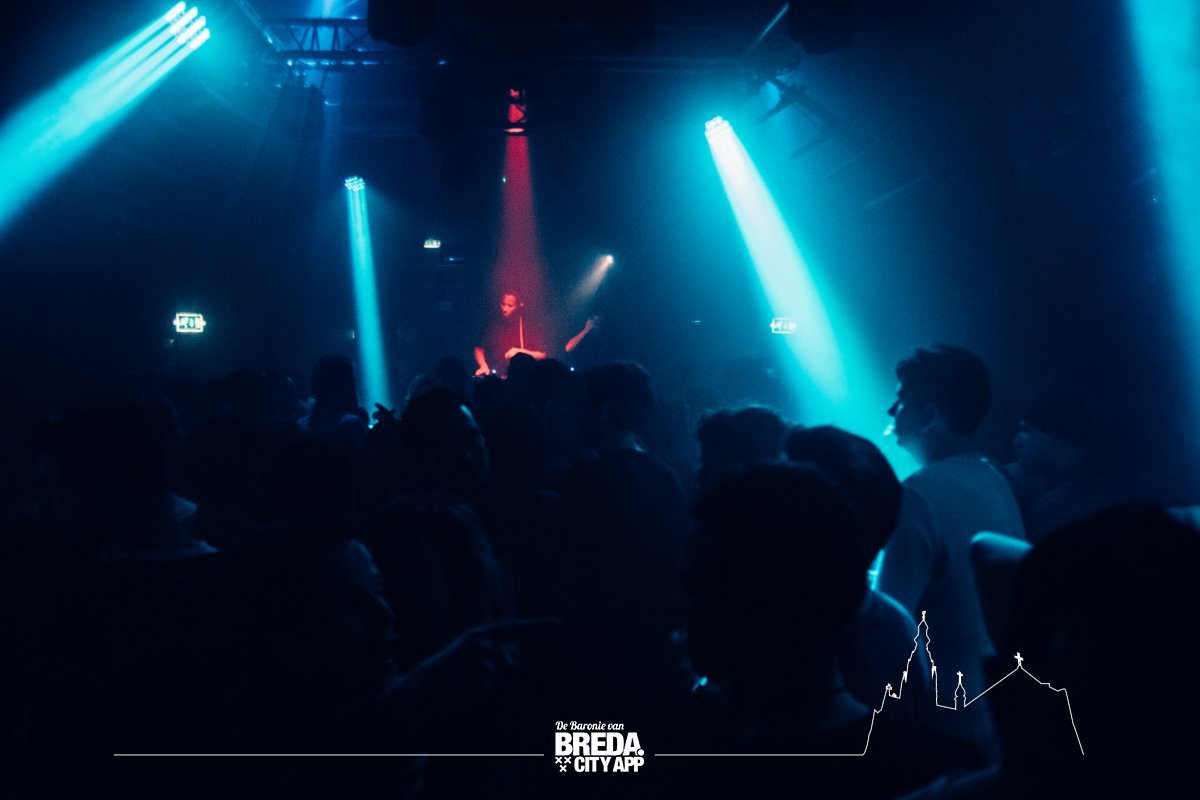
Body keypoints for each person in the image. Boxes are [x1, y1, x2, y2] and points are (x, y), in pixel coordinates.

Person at [876, 345, 1026, 760]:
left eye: (901, 400)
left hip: (945, 725)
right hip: (996, 712)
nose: (891, 411)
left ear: (929, 415)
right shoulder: (994, 477)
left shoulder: (917, 495)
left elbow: (886, 623)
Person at [474, 291, 545, 377]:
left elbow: (543, 355)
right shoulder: (492, 323)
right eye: (503, 304)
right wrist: (483, 365)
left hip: (520, 377)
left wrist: (520, 352)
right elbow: (479, 348)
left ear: (520, 306)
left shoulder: (529, 325)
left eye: (510, 306)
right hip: (494, 377)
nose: (505, 309)